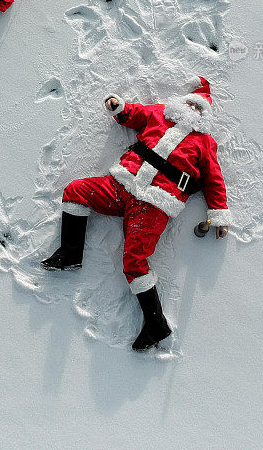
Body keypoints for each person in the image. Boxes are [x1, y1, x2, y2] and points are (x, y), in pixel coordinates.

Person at [42, 77, 230, 351]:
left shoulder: (205, 144)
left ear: (204, 115)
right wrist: (118, 107)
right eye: (189, 103)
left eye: (198, 108)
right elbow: (134, 114)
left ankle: (156, 325)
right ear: (180, 102)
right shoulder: (159, 114)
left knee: (134, 259)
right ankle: (70, 254)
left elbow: (214, 180)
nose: (191, 109)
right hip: (122, 185)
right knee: (75, 190)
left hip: (154, 205)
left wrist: (219, 214)